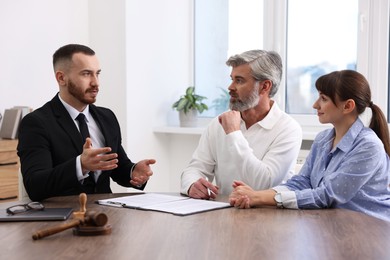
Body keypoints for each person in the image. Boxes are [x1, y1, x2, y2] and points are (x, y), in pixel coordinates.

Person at [229, 70, 390, 222]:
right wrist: (255, 194)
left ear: (347, 106)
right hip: (333, 224)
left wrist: (258, 198)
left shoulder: (369, 146)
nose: (315, 105)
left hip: (370, 231)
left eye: (324, 99)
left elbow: (327, 195)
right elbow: (301, 182)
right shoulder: (323, 139)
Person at [17, 44, 156, 201]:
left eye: (97, 74)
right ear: (61, 78)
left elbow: (117, 167)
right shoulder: (36, 123)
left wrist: (133, 171)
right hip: (62, 218)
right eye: (86, 74)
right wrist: (80, 165)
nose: (95, 82)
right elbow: (35, 186)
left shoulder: (107, 117)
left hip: (106, 215)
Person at [180, 50, 302, 199]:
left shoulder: (288, 129)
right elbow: (195, 169)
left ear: (265, 86)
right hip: (224, 213)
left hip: (269, 216)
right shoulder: (218, 123)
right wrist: (192, 184)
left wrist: (234, 134)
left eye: (239, 80)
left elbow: (263, 184)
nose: (230, 87)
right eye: (232, 79)